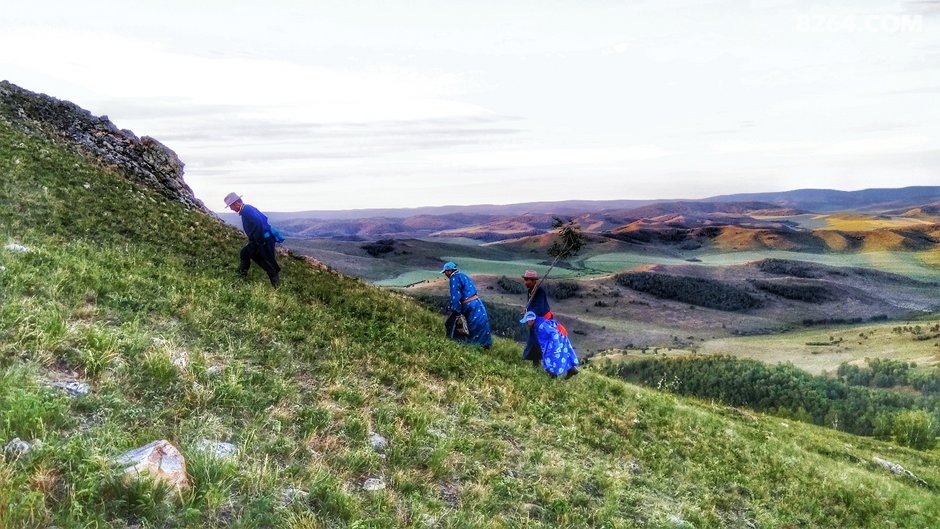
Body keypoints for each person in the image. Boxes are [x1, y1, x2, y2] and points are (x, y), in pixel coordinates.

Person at [224, 192, 282, 288]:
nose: (231, 209)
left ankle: (240, 279)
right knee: (247, 254)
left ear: (236, 203)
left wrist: (258, 242)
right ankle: (240, 279)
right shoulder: (247, 209)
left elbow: (259, 222)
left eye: (231, 206)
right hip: (262, 240)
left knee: (266, 262)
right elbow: (264, 218)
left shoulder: (247, 210)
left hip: (263, 240)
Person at [440, 261, 492, 348]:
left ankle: (464, 345)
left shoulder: (454, 278)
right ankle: (484, 345)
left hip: (469, 305)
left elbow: (455, 296)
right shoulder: (463, 275)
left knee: (457, 324)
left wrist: (455, 309)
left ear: (449, 271)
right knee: (479, 324)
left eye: (445, 272)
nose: (445, 274)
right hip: (477, 303)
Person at [519, 311, 579, 378]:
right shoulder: (539, 322)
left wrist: (557, 346)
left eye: (527, 321)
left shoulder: (541, 326)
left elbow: (554, 333)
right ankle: (571, 370)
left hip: (555, 341)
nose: (527, 323)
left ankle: (553, 377)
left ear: (532, 320)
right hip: (558, 338)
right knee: (561, 355)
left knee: (549, 359)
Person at [521, 269, 551, 366]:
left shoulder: (539, 291)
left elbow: (539, 308)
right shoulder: (530, 291)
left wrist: (531, 318)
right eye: (525, 279)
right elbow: (531, 305)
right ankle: (536, 362)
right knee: (534, 341)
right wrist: (526, 312)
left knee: (540, 343)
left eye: (528, 280)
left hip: (542, 321)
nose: (525, 282)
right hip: (534, 320)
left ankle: (546, 365)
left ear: (534, 281)